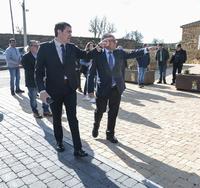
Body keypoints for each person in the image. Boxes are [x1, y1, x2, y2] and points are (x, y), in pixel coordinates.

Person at [35, 22, 90, 157]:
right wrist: (42, 90)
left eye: (71, 32)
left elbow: (86, 55)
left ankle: (78, 148)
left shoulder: (71, 47)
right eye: (68, 32)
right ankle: (59, 142)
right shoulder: (45, 48)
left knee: (73, 118)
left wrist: (100, 48)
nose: (71, 34)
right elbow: (38, 72)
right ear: (59, 32)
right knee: (57, 118)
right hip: (53, 90)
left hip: (70, 89)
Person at [88, 33, 155, 143]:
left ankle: (110, 134)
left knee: (113, 112)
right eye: (114, 41)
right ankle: (96, 126)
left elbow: (132, 54)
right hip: (102, 88)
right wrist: (90, 91)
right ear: (106, 42)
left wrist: (146, 49)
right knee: (100, 110)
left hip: (116, 88)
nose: (116, 42)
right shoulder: (98, 54)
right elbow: (91, 73)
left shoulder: (119, 52)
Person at [21, 40, 52, 118]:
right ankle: (35, 112)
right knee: (33, 98)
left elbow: (46, 67)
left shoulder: (41, 55)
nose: (37, 47)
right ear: (30, 47)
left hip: (42, 81)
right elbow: (28, 69)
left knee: (45, 96)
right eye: (35, 46)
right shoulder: (25, 57)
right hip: (31, 81)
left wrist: (45, 75)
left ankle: (46, 111)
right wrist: (39, 73)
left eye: (38, 45)